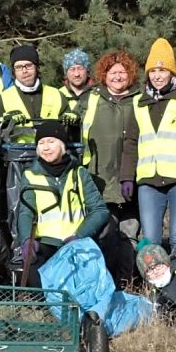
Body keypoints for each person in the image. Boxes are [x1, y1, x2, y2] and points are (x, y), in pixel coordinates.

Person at [120, 38, 176, 262]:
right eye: (153, 70)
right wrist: (126, 177)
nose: (157, 75)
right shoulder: (139, 102)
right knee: (151, 240)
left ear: (172, 72)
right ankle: (155, 290)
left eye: (163, 70)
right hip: (149, 180)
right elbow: (131, 141)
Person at [17, 120, 109, 287]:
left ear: (62, 145)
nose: (46, 147)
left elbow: (100, 210)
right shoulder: (30, 175)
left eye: (51, 142)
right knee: (41, 291)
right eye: (41, 143)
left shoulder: (79, 173)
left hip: (75, 243)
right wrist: (26, 240)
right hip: (45, 244)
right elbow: (25, 212)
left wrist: (80, 236)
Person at [76, 50, 141, 288]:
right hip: (99, 180)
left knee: (129, 234)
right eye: (112, 72)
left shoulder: (140, 100)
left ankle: (127, 284)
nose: (117, 77)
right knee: (104, 234)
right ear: (104, 75)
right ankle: (103, 285)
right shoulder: (91, 99)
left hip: (132, 179)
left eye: (122, 72)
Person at [0, 45, 71, 143]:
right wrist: (6, 121)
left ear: (37, 67)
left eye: (28, 65)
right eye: (19, 67)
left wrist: (73, 121)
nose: (24, 71)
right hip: (15, 156)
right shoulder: (2, 100)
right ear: (13, 71)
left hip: (51, 155)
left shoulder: (57, 95)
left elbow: (68, 132)